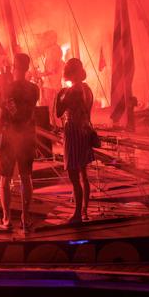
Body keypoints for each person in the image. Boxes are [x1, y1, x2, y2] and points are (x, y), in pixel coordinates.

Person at [0, 53, 40, 231]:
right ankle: (25, 218)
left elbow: (1, 115)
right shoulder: (35, 89)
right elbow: (30, 113)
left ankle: (6, 219)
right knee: (26, 177)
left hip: (9, 137)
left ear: (14, 67)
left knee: (4, 178)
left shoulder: (7, 89)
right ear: (27, 68)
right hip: (27, 136)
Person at [55, 57, 95, 223]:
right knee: (84, 175)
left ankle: (77, 214)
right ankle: (84, 210)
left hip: (74, 133)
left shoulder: (71, 92)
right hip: (85, 132)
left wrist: (58, 95)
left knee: (73, 175)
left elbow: (58, 112)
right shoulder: (87, 89)